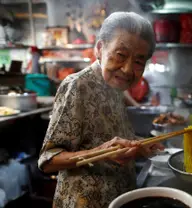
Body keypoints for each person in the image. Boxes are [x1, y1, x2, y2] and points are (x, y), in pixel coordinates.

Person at [38, 12, 163, 208]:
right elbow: (48, 160)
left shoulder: (115, 88)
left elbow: (107, 138)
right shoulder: (77, 85)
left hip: (118, 199)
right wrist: (100, 152)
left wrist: (139, 146)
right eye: (120, 55)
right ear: (99, 48)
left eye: (139, 62)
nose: (128, 69)